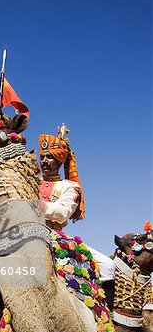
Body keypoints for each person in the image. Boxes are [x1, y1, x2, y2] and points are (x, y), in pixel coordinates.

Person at [39, 125, 115, 307]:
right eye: (42, 157)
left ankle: (106, 317)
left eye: (50, 157)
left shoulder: (70, 186)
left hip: (55, 236)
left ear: (59, 161)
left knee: (107, 265)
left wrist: (33, 204)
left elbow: (62, 213)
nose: (44, 161)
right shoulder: (29, 180)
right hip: (25, 233)